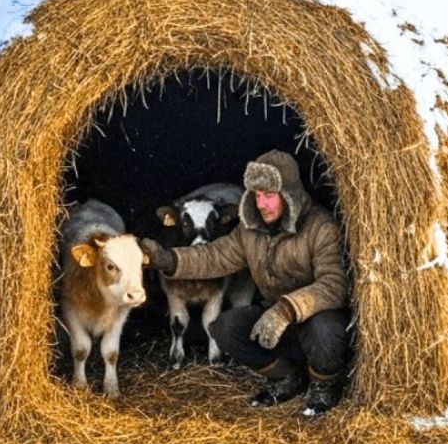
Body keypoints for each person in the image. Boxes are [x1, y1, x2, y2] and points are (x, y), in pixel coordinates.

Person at [140, 149, 351, 415]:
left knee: (326, 326)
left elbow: (334, 285)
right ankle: (286, 377)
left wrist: (286, 310)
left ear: (290, 194)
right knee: (225, 328)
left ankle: (324, 385)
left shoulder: (320, 228)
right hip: (274, 324)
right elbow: (214, 256)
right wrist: (167, 260)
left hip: (312, 320)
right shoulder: (250, 230)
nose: (262, 204)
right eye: (257, 195)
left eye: (270, 195)